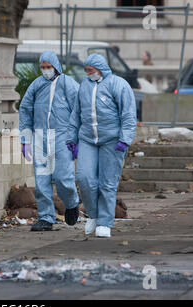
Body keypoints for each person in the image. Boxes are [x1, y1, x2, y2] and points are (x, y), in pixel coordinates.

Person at [66, 54, 136, 238]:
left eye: (91, 70)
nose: (89, 74)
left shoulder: (119, 85)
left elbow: (128, 114)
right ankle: (94, 215)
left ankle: (105, 222)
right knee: (84, 178)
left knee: (108, 182)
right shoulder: (84, 87)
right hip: (88, 139)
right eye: (86, 71)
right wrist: (72, 139)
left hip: (112, 140)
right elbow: (76, 114)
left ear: (100, 68)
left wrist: (125, 139)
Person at [19, 51, 80, 232]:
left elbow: (79, 110)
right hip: (40, 136)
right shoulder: (37, 85)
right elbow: (25, 110)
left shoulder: (68, 84)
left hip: (62, 136)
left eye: (48, 67)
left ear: (55, 66)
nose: (46, 70)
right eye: (43, 67)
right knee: (42, 180)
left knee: (63, 177)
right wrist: (26, 140)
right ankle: (46, 218)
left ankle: (71, 203)